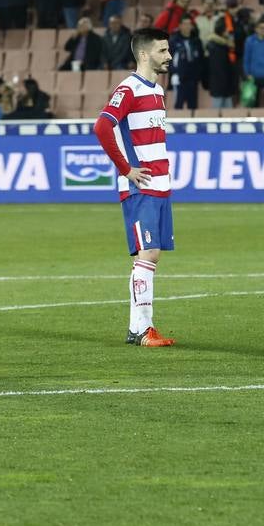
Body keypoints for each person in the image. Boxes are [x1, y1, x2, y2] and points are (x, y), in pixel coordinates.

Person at [91, 28, 177, 347]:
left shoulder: (157, 90)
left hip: (159, 185)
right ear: (144, 54)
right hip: (141, 187)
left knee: (151, 254)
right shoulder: (128, 88)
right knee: (149, 251)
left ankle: (140, 328)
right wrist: (126, 170)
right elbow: (102, 126)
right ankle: (141, 330)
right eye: (163, 50)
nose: (169, 56)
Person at [169, 18, 205, 110]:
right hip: (179, 77)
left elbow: (201, 59)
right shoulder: (173, 41)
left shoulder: (196, 41)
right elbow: (168, 59)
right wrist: (175, 72)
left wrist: (198, 74)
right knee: (178, 104)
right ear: (180, 26)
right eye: (185, 24)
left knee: (193, 105)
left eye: (189, 24)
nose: (187, 26)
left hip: (193, 77)